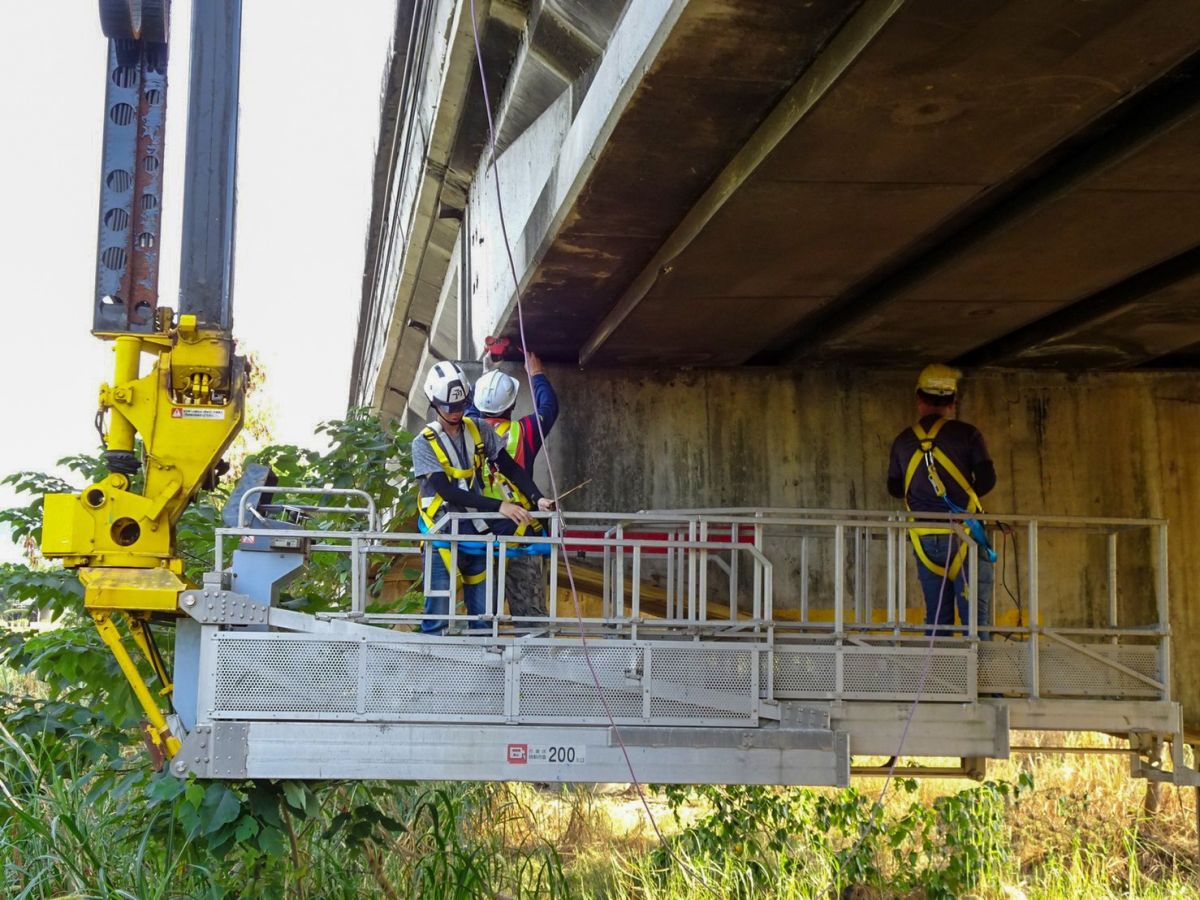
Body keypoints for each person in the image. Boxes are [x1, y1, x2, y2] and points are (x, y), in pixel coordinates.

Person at [411, 361, 554, 634]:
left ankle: (484, 669)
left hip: (476, 529)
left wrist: (537, 499)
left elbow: (509, 467)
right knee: (438, 615)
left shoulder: (478, 429)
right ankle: (430, 671)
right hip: (442, 532)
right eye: (448, 407)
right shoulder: (424, 443)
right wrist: (501, 506)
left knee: (484, 618)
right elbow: (448, 491)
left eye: (461, 405)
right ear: (434, 402)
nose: (455, 413)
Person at [887, 364, 995, 637]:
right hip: (966, 535)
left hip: (925, 538)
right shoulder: (968, 434)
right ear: (952, 402)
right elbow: (986, 479)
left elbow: (895, 488)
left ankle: (940, 677)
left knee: (937, 617)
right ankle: (980, 677)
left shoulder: (903, 441)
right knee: (976, 617)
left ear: (919, 400)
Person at [469, 352, 559, 628]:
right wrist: (536, 374)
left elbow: (474, 407)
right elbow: (549, 407)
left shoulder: (468, 431)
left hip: (480, 537)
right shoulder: (525, 431)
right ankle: (536, 669)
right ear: (512, 404)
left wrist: (487, 372)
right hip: (521, 536)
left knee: (484, 620)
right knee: (531, 619)